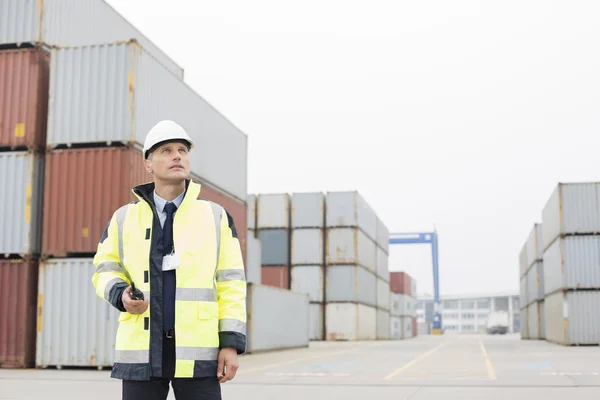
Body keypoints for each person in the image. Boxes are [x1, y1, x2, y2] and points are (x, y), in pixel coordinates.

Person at [92, 120, 247, 400]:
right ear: (148, 164)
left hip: (199, 354)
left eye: (182, 150)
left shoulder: (216, 217)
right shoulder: (124, 218)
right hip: (142, 354)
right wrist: (121, 294)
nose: (177, 156)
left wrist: (230, 344)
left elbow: (232, 283)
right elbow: (104, 269)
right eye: (166, 150)